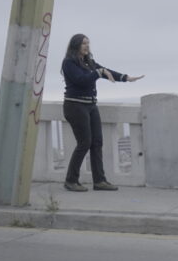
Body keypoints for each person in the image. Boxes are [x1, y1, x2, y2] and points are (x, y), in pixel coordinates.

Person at [61, 34, 143, 192]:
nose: (87, 46)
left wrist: (126, 78)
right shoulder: (68, 63)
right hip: (75, 106)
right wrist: (98, 72)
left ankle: (99, 181)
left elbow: (106, 72)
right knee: (84, 143)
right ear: (76, 45)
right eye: (83, 43)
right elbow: (81, 80)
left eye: (88, 43)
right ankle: (71, 180)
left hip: (90, 105)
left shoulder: (89, 62)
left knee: (97, 142)